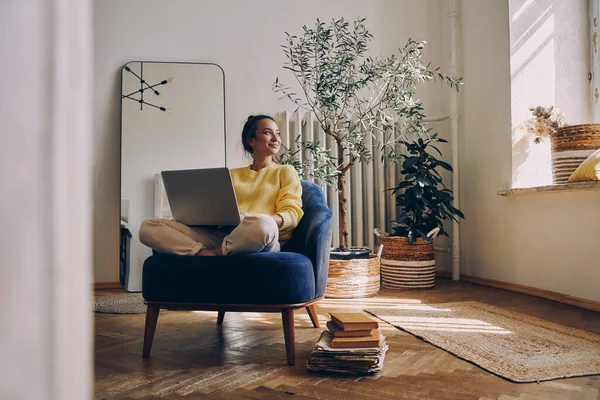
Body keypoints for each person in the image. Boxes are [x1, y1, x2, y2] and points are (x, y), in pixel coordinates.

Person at [139, 115, 303, 256]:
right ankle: (203, 253)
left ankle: (215, 253)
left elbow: (292, 213)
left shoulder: (285, 171)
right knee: (148, 227)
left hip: (260, 237)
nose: (276, 139)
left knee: (263, 224)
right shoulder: (231, 175)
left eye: (278, 133)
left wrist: (255, 218)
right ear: (251, 140)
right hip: (221, 235)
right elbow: (213, 210)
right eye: (268, 133)